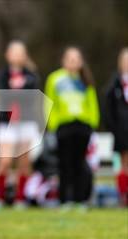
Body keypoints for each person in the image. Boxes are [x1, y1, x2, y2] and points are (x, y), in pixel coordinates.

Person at [44, 46, 99, 207]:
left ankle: (80, 199)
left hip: (82, 126)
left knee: (80, 163)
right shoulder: (55, 79)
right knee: (65, 164)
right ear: (63, 60)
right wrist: (53, 124)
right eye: (70, 58)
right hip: (63, 126)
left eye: (76, 59)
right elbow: (49, 103)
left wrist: (92, 123)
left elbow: (92, 103)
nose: (73, 62)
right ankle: (64, 199)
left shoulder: (85, 79)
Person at [0, 40, 40, 210]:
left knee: (24, 163)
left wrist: (17, 91)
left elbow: (31, 97)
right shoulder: (3, 74)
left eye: (20, 52)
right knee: (4, 161)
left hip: (26, 122)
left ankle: (20, 199)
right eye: (13, 52)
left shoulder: (31, 75)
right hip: (7, 122)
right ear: (7, 55)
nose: (17, 56)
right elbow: (4, 97)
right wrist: (18, 91)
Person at [104, 47, 128, 206]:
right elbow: (108, 109)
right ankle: (124, 196)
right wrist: (114, 128)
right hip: (122, 132)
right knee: (124, 163)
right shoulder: (114, 84)